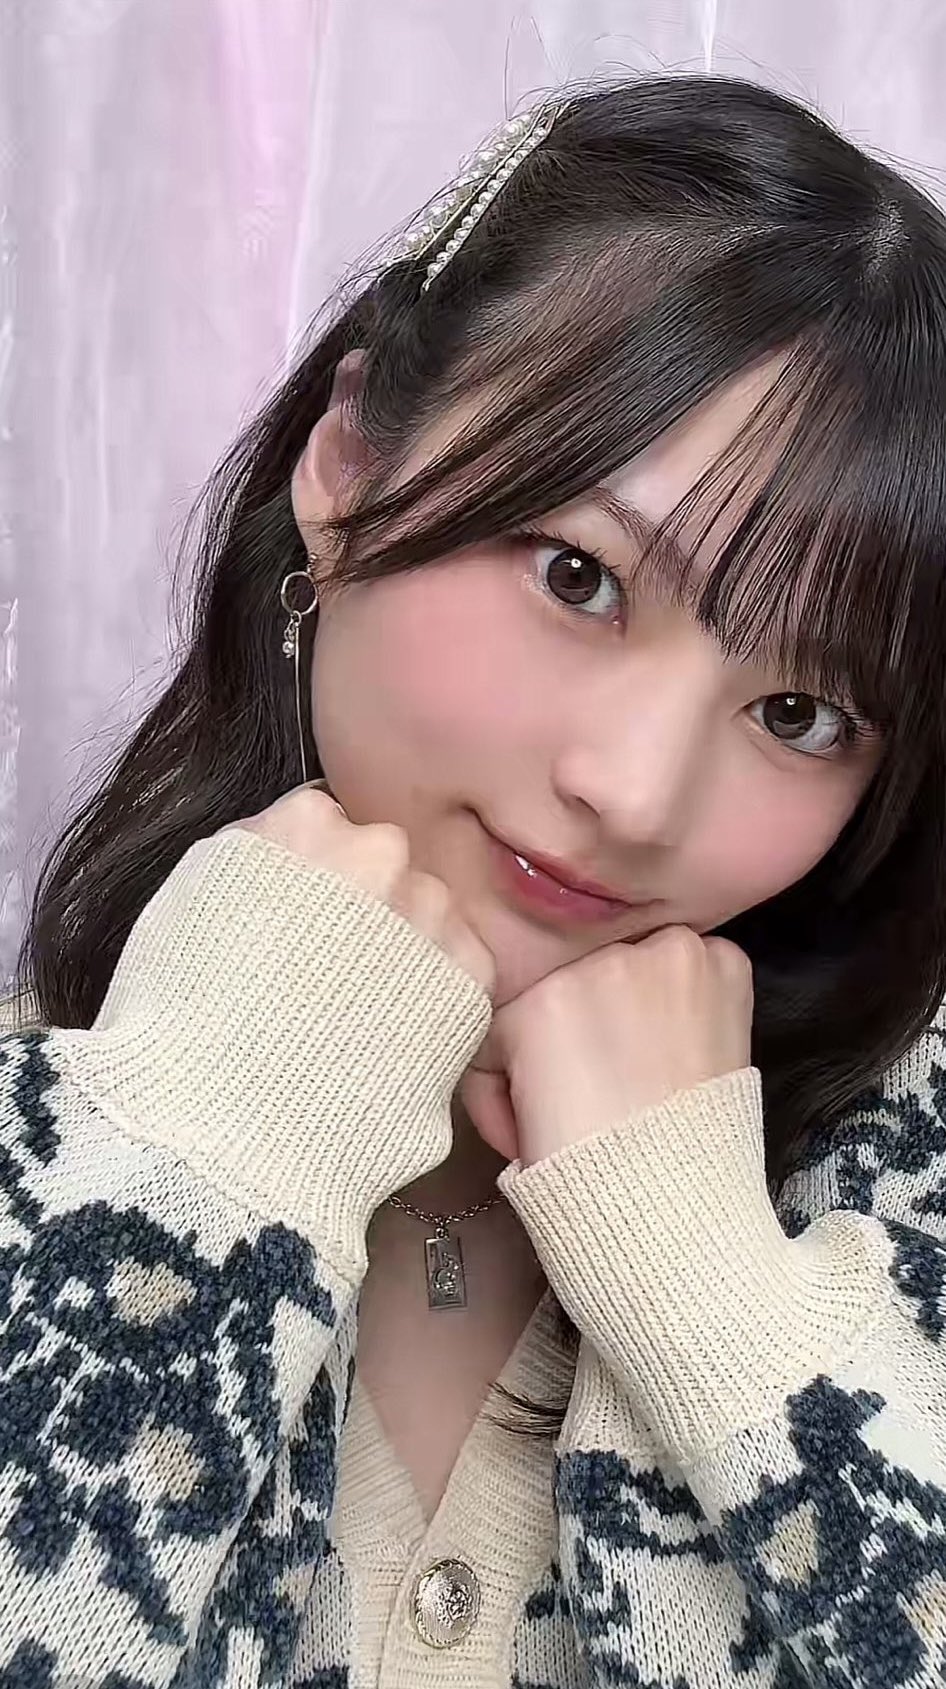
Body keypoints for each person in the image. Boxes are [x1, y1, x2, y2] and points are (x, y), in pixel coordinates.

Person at [3, 71, 946, 1689]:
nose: (630, 789)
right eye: (579, 577)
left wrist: (718, 1296)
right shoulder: (56, 1136)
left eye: (799, 713)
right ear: (347, 461)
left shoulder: (897, 1210)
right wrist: (200, 1157)